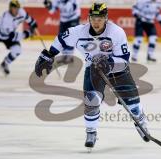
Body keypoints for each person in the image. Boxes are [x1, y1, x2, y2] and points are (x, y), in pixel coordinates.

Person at [34, 3, 150, 149]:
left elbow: (124, 59)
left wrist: (109, 62)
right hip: (93, 69)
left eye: (100, 18)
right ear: (89, 18)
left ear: (106, 18)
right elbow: (61, 39)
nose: (96, 21)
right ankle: (91, 131)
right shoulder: (78, 32)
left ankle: (141, 123)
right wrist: (49, 54)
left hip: (117, 69)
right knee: (91, 101)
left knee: (132, 103)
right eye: (94, 18)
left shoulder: (117, 32)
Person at [0, 0, 37, 75]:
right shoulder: (7, 20)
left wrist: (34, 24)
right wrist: (28, 33)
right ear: (10, 8)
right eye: (14, 8)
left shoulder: (21, 11)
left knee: (17, 50)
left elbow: (28, 18)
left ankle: (5, 64)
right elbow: (14, 37)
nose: (16, 10)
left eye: (17, 8)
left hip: (8, 36)